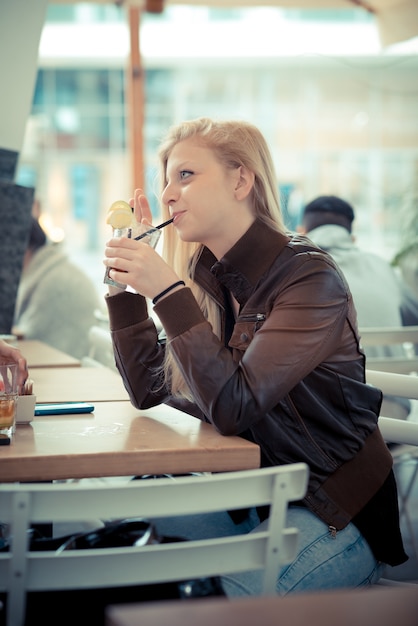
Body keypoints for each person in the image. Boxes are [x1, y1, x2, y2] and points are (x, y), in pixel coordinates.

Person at [103, 117, 407, 595]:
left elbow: (233, 406)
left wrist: (167, 290)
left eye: (185, 175)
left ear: (241, 180)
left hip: (332, 512)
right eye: (166, 179)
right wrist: (122, 286)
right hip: (252, 499)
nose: (166, 194)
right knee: (114, 540)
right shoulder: (212, 281)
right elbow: (148, 387)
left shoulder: (309, 279)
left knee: (210, 606)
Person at [298, 195, 418, 421]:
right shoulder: (383, 268)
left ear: (302, 231)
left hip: (325, 421)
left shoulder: (294, 268)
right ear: (352, 237)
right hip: (392, 417)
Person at [13, 216, 100, 360]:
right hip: (76, 368)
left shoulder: (54, 281)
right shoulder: (51, 269)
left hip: (75, 372)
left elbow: (28, 347)